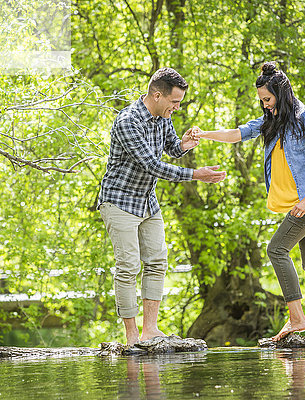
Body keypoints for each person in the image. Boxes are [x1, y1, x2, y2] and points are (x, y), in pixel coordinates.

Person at [194, 62, 305, 345]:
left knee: (276, 249)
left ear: (281, 94)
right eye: (261, 100)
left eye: (268, 99)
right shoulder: (271, 121)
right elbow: (238, 133)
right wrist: (204, 134)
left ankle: (297, 317)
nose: (265, 105)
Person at [98, 67, 226, 346]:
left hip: (147, 201)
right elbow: (152, 165)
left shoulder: (162, 116)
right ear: (157, 95)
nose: (177, 108)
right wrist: (197, 175)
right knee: (128, 266)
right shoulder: (128, 121)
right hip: (119, 200)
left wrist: (185, 145)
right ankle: (131, 337)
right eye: (175, 102)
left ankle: (150, 330)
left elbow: (170, 147)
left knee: (157, 261)